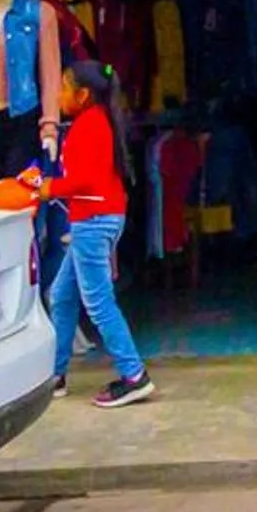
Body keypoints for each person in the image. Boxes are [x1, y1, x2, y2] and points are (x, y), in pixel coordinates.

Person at [45, 60, 155, 408]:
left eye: (64, 88)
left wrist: (48, 188)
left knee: (98, 303)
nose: (58, 95)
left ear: (83, 95)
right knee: (61, 295)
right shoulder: (95, 121)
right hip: (94, 219)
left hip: (93, 221)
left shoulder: (90, 125)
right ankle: (54, 375)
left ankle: (134, 375)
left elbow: (85, 180)